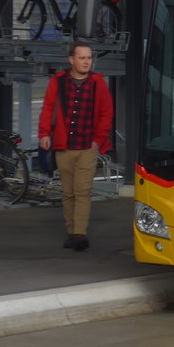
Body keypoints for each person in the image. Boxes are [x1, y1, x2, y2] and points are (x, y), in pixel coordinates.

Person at [38, 42, 114, 252]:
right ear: (71, 60)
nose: (86, 61)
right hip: (64, 145)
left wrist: (98, 140)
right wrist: (44, 134)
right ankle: (71, 232)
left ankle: (80, 234)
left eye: (89, 58)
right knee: (68, 192)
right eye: (82, 58)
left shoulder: (98, 83)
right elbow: (48, 107)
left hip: (87, 146)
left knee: (82, 191)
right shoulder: (59, 81)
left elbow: (106, 113)